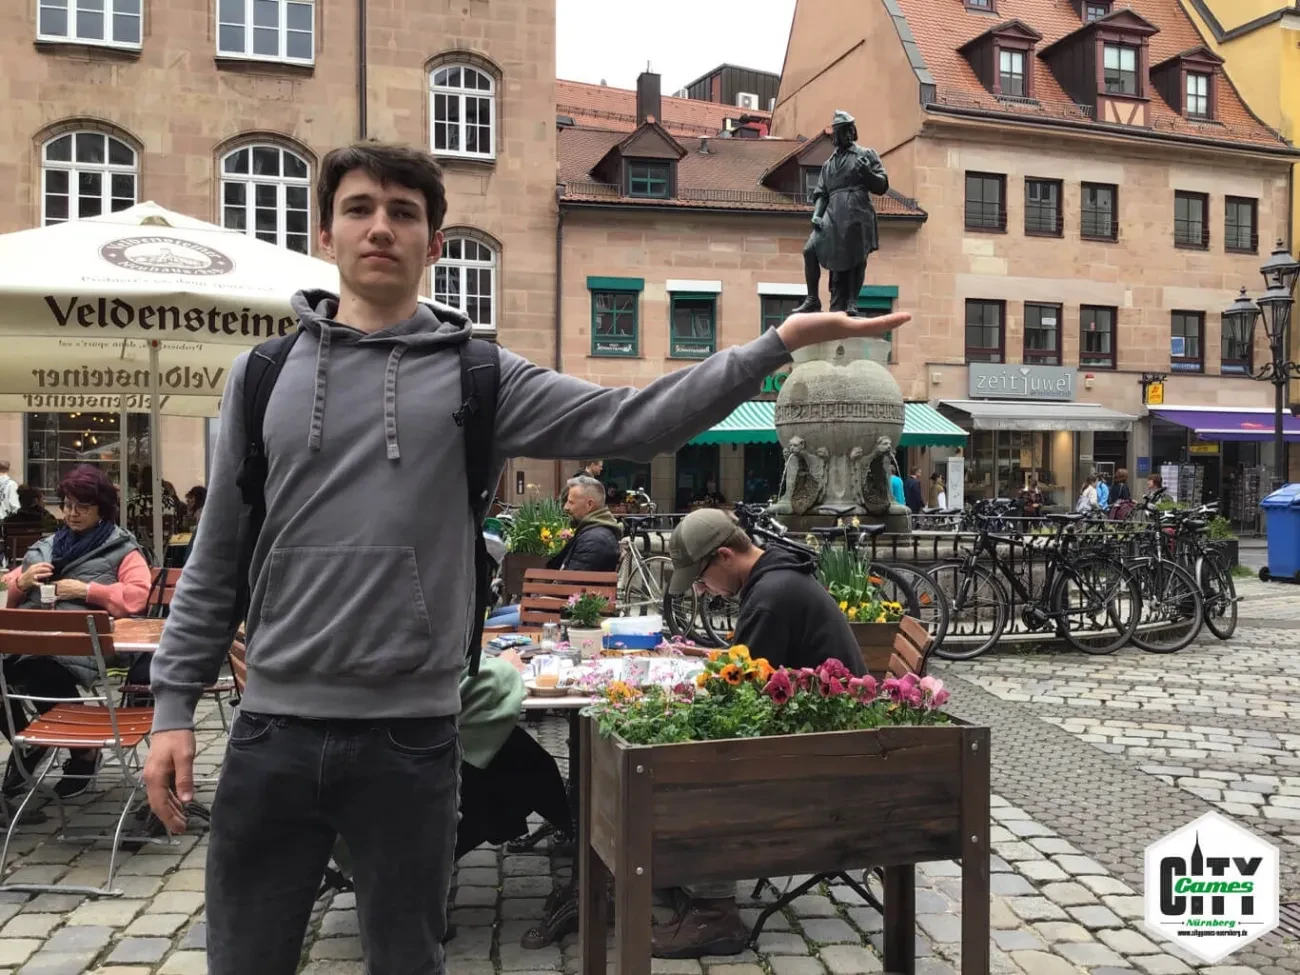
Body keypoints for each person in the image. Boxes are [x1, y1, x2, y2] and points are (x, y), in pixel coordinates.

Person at [141, 141, 910, 975]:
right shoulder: (262, 376)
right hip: (272, 729)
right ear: (324, 231)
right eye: (359, 209)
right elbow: (219, 554)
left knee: (407, 962)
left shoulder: (478, 377)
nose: (380, 228)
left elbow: (635, 420)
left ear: (434, 243)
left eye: (403, 213)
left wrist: (775, 344)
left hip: (410, 738)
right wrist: (172, 704)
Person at [656, 508, 866, 958]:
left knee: (699, 760)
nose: (701, 589)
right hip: (831, 740)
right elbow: (752, 666)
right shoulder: (776, 580)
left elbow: (741, 696)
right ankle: (685, 875)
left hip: (828, 762)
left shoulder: (770, 596)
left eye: (701, 578)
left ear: (725, 556)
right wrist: (706, 658)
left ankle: (714, 913)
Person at [1, 464, 151, 800]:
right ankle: (28, 741)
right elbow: (7, 589)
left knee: (41, 670)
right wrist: (21, 583)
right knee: (20, 667)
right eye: (67, 505)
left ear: (102, 508)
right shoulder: (46, 545)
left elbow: (137, 598)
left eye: (82, 506)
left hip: (82, 646)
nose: (72, 513)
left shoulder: (122, 548)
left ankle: (83, 753)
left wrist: (87, 591)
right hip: (30, 637)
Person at [484, 475, 621, 628]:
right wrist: (536, 601)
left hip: (563, 614)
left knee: (488, 625)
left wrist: (535, 603)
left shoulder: (595, 540)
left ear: (589, 504)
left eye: (571, 502)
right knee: (496, 614)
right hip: (558, 607)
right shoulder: (593, 532)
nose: (566, 507)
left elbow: (569, 589)